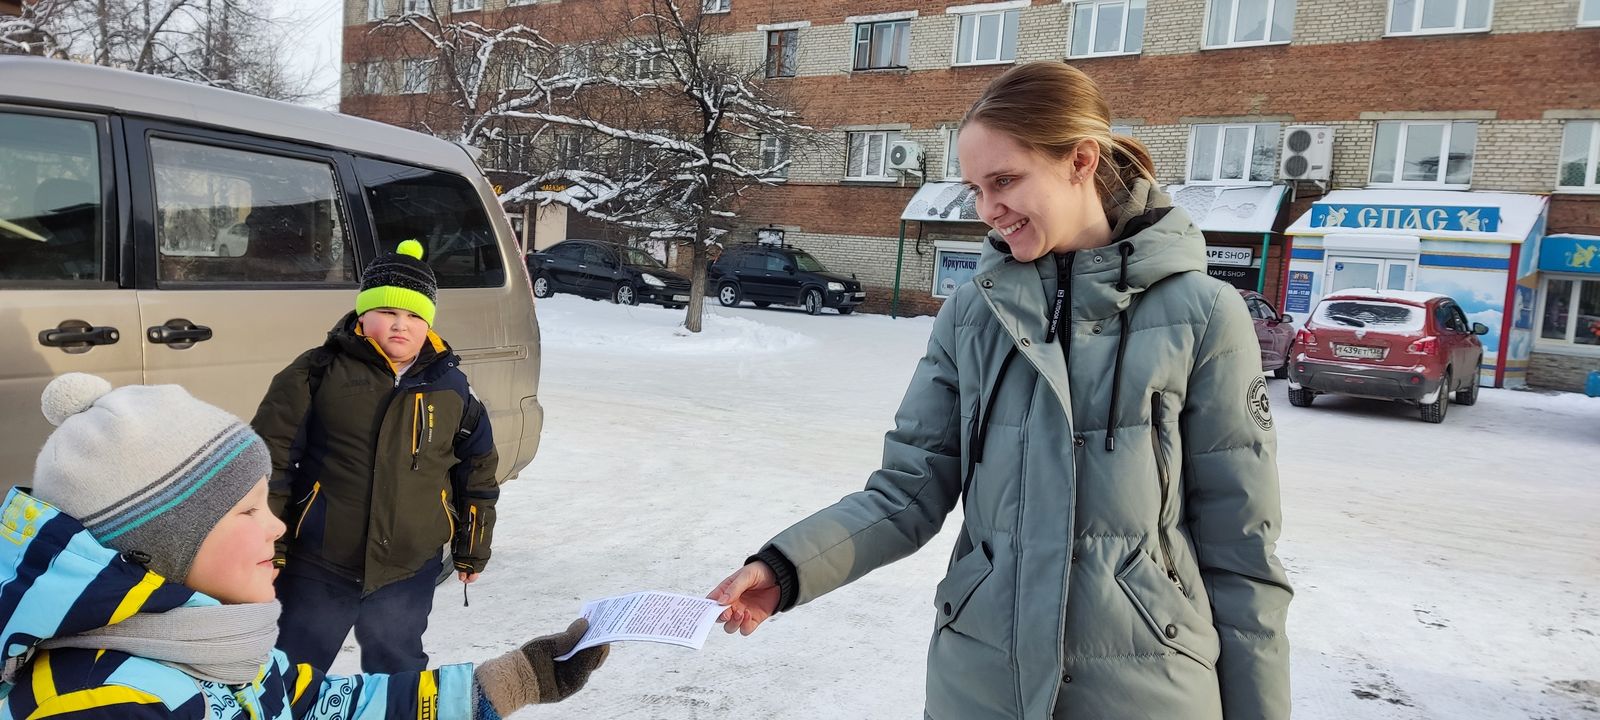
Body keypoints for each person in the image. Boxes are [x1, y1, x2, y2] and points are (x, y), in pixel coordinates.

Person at [708, 62, 1292, 719]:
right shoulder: (972, 315)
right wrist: (785, 569)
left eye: (1005, 181)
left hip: (1148, 692)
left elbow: (1242, 553)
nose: (988, 210)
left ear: (1080, 161)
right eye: (976, 190)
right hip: (978, 688)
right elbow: (906, 491)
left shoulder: (1204, 315)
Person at [0, 373, 605, 719]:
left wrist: (511, 682)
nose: (276, 527)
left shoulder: (213, 647)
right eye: (247, 511)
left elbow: (323, 706)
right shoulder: (100, 702)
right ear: (157, 546)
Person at [251, 240, 499, 674]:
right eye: (387, 311)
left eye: (414, 316)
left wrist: (472, 546)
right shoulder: (315, 373)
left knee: (398, 669)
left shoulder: (453, 387)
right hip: (321, 560)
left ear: (429, 322)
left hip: (409, 566)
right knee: (292, 669)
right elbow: (270, 463)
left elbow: (477, 470)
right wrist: (269, 545)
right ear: (363, 314)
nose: (401, 325)